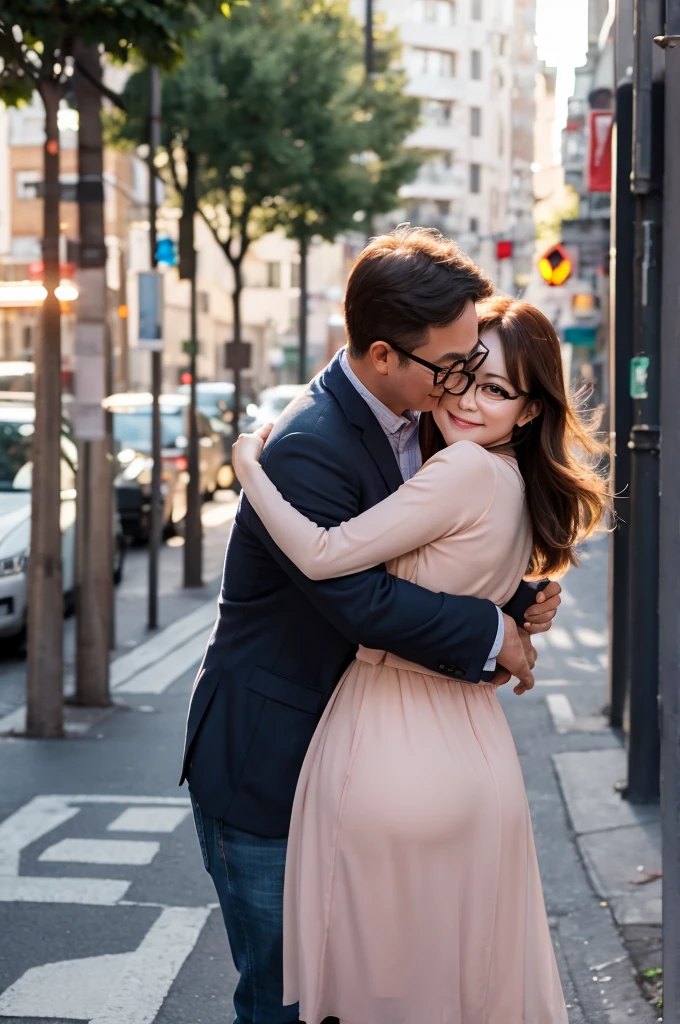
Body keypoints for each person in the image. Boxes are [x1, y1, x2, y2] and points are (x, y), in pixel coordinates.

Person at [181, 227, 562, 1024]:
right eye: (450, 365)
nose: (462, 385)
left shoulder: (422, 422)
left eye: (477, 369)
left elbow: (430, 553)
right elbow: (362, 601)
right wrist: (497, 634)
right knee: (287, 995)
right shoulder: (311, 447)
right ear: (385, 355)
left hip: (365, 758)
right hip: (271, 768)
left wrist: (517, 597)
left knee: (366, 996)